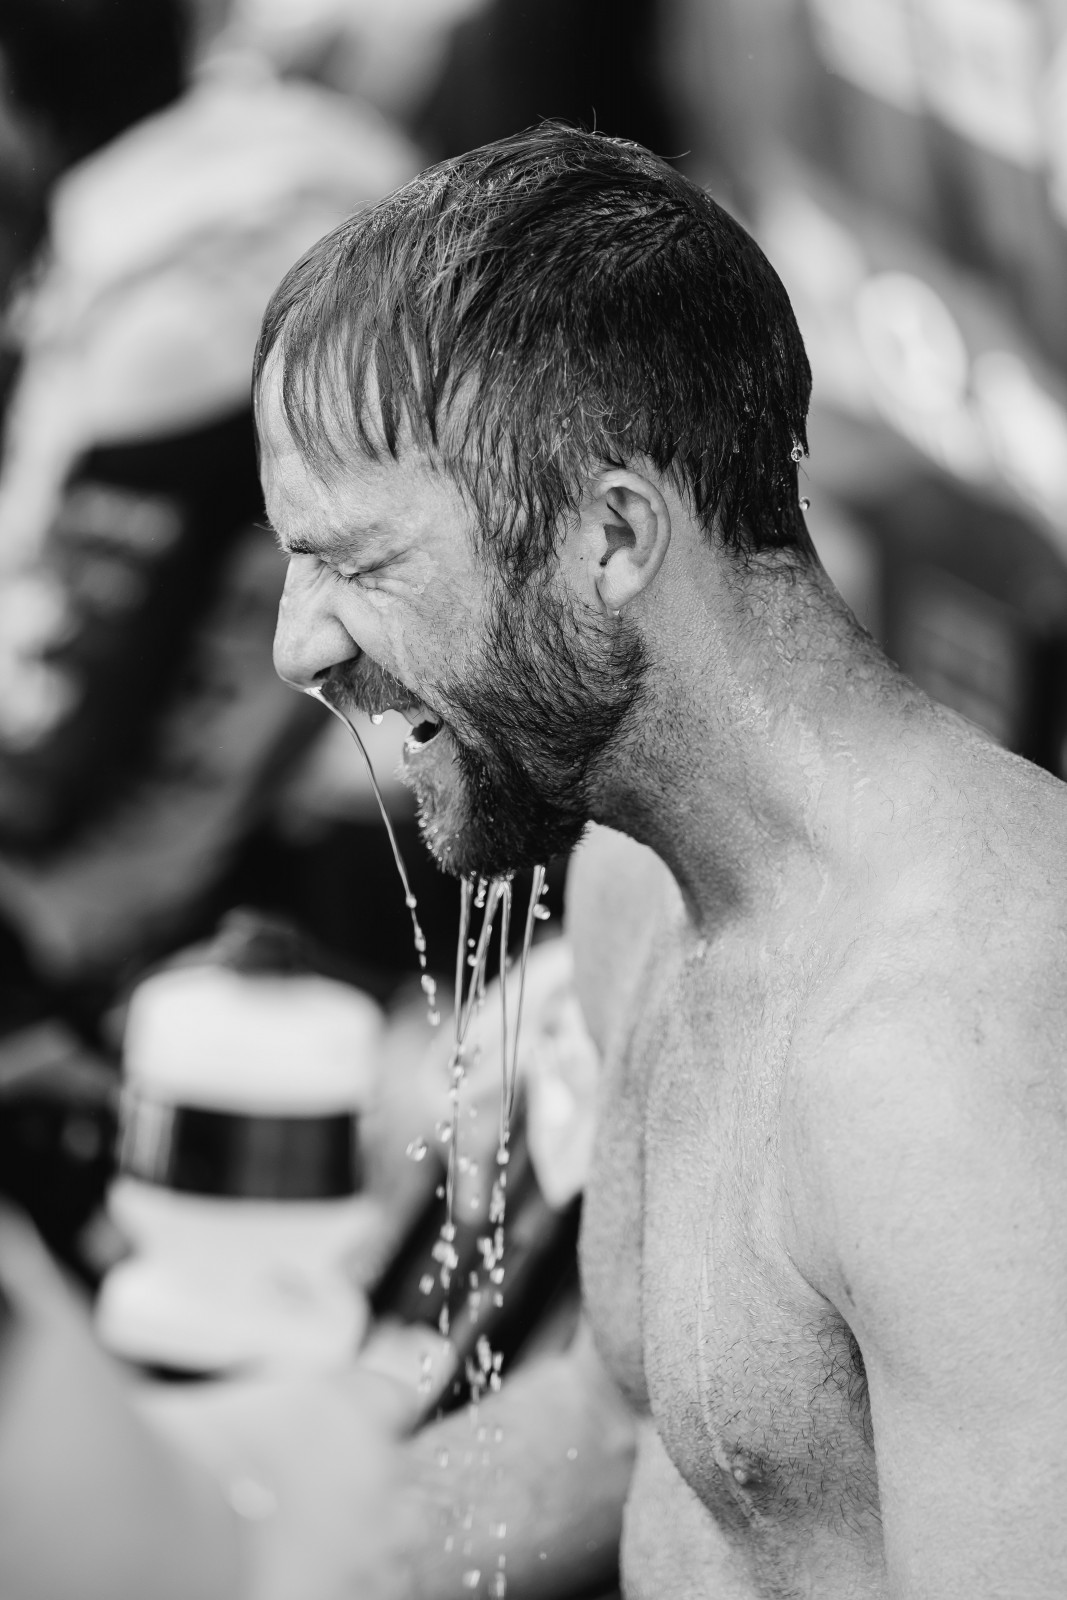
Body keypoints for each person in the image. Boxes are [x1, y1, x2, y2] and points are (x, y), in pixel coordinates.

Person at [251, 121, 1067, 1598]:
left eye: (359, 566)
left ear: (612, 539)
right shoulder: (642, 876)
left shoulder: (956, 1060)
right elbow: (660, 1427)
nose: (295, 648)